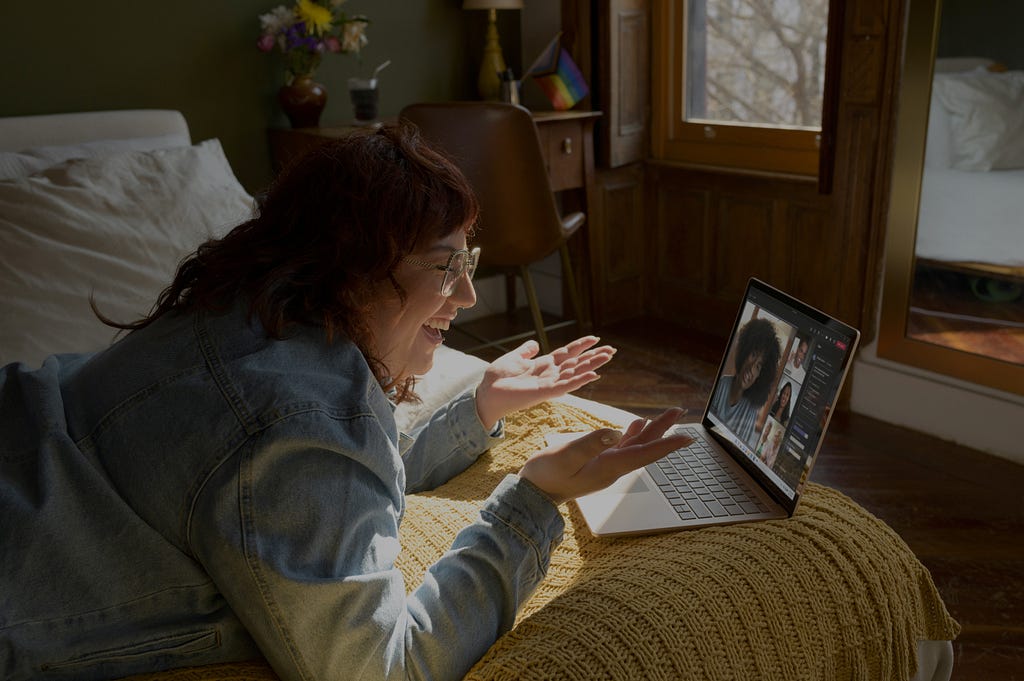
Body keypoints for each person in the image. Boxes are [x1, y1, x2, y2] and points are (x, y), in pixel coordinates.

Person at [0, 123, 691, 681]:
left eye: (468, 263)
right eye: (448, 266)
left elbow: (308, 484)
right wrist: (535, 494)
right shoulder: (297, 419)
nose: (469, 296)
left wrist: (477, 409)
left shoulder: (240, 308)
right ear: (356, 265)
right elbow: (382, 667)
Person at [708, 317, 781, 445]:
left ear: (760, 376)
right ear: (745, 351)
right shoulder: (721, 385)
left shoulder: (750, 412)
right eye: (753, 355)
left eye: (758, 366)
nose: (752, 368)